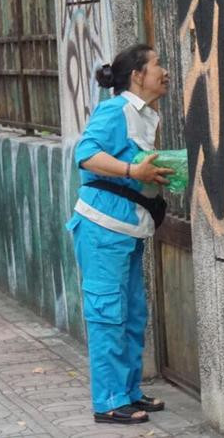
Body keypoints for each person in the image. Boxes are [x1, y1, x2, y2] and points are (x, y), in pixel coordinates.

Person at [67, 44, 173, 425]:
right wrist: (134, 174)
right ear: (137, 76)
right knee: (107, 314)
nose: (164, 71)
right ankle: (108, 402)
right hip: (100, 229)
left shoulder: (145, 115)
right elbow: (85, 155)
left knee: (131, 314)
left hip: (126, 230)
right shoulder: (115, 110)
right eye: (157, 64)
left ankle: (128, 392)